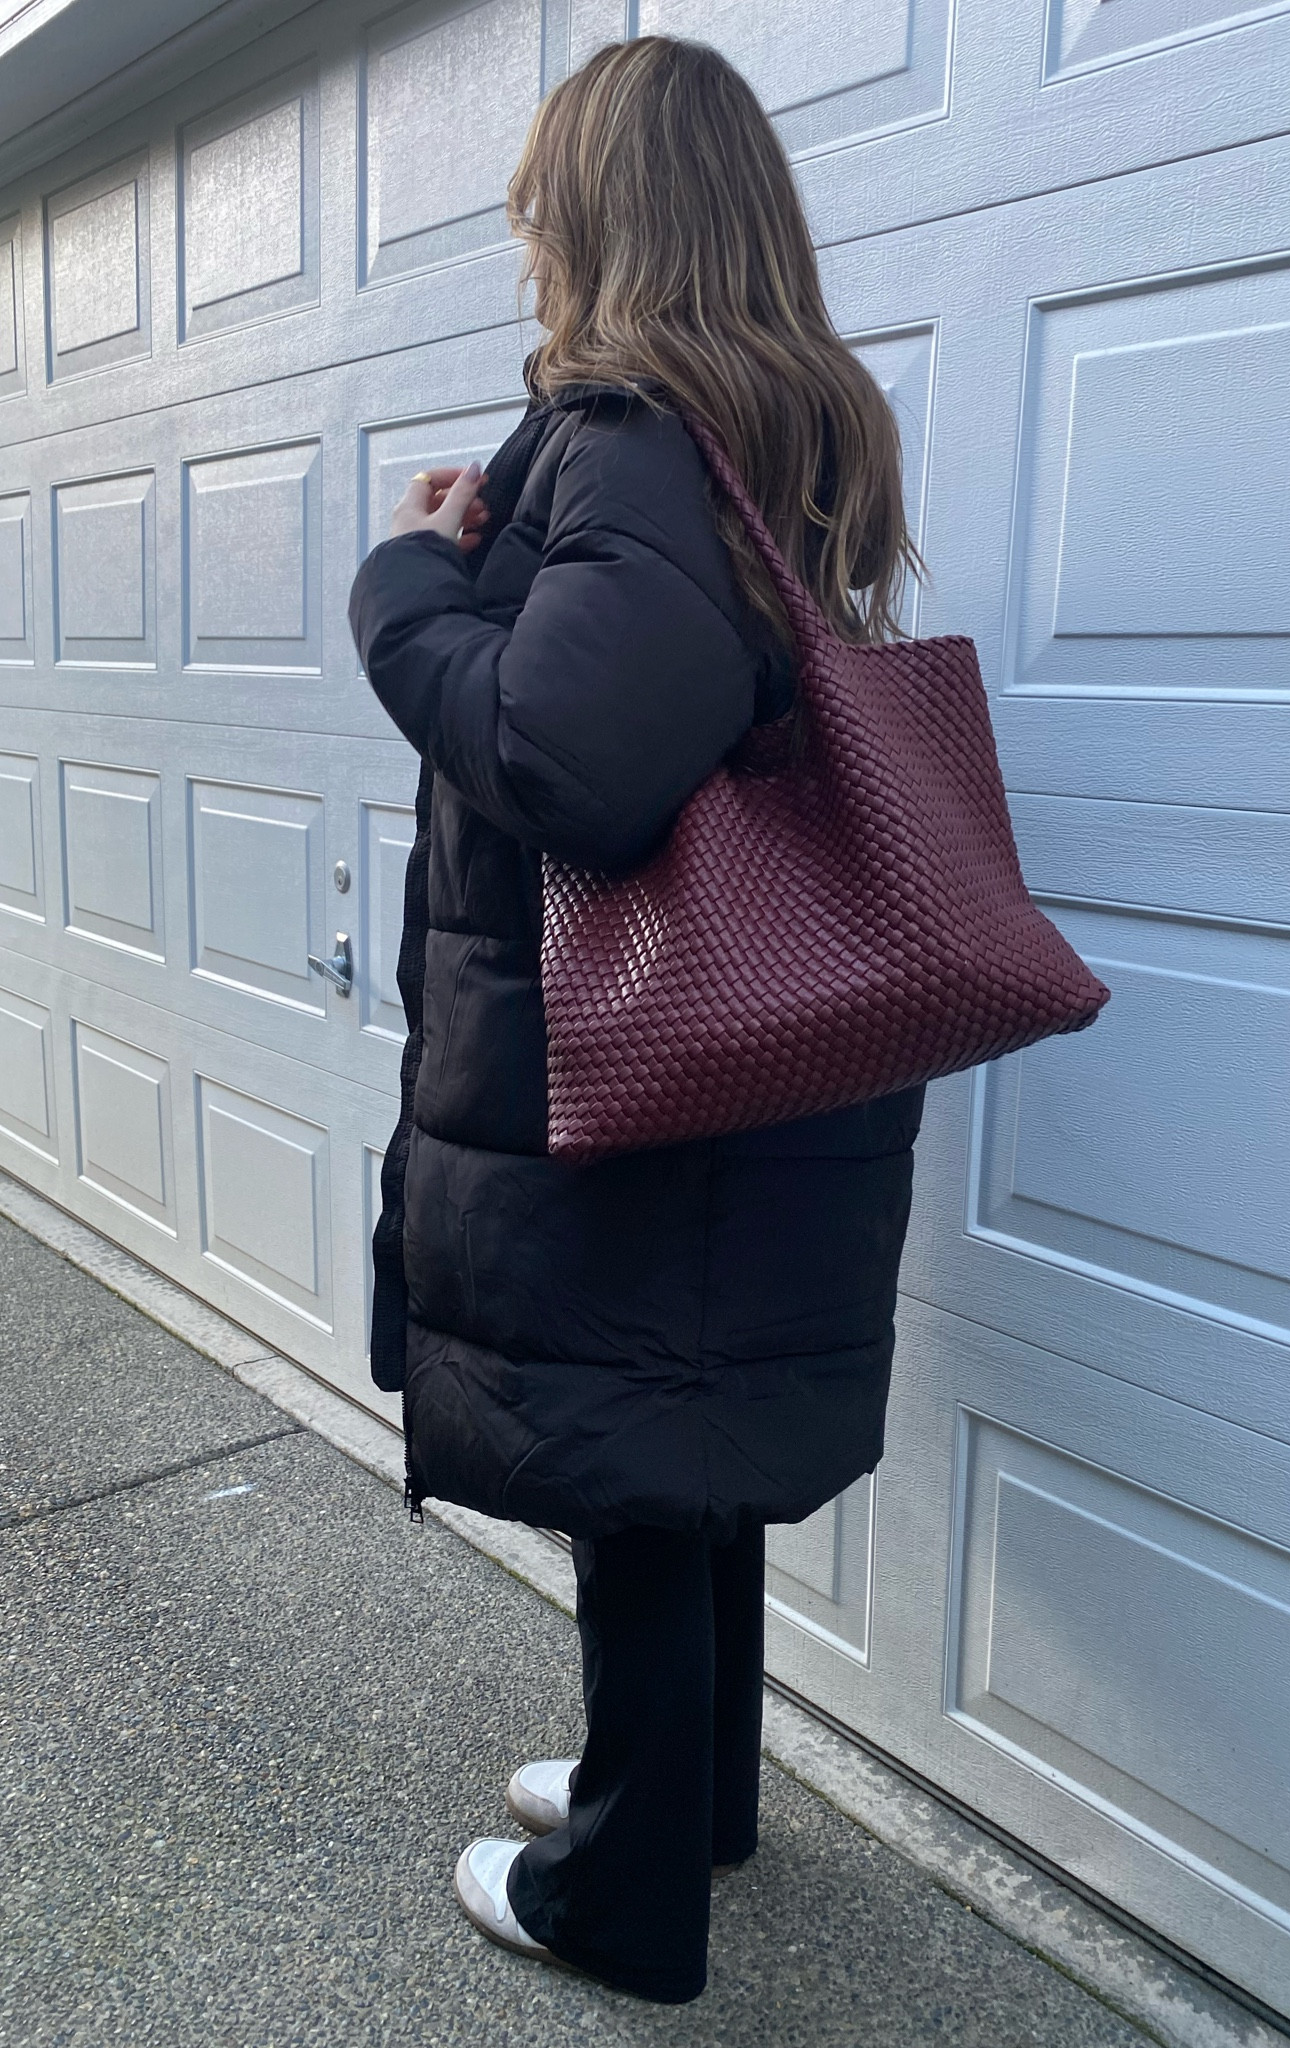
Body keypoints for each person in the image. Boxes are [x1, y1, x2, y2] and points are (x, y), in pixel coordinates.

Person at [348, 35, 924, 2006]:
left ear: (597, 214)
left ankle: (623, 1898)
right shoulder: (785, 429)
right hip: (744, 1047)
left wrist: (409, 585)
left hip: (637, 1056)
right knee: (690, 1450)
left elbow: (566, 754)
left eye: (539, 202)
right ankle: (683, 1797)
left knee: (633, 1468)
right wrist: (504, 554)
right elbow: (662, 690)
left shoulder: (635, 432)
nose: (524, 240)